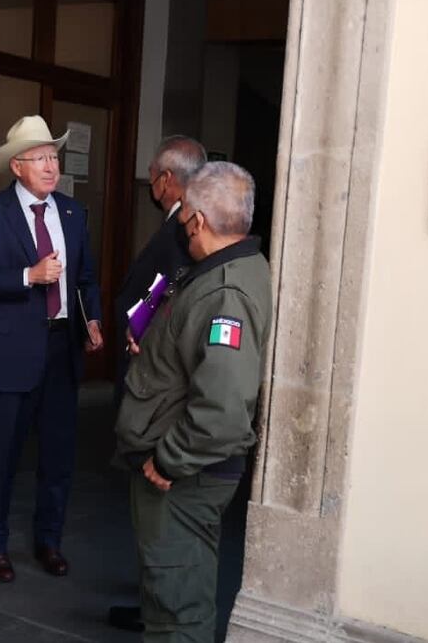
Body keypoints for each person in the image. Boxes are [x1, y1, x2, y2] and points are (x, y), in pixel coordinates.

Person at [115, 161, 271, 642]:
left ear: (199, 221)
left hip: (185, 474)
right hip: (188, 469)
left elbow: (222, 409)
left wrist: (168, 461)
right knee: (179, 587)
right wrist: (156, 341)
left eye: (185, 223)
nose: (184, 232)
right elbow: (196, 350)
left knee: (176, 607)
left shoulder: (226, 290)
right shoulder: (232, 267)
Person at [0, 115, 104, 583]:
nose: (51, 166)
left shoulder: (72, 213)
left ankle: (49, 540)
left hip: (62, 349)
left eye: (54, 157)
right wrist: (27, 276)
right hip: (11, 352)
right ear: (17, 166)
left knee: (58, 456)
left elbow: (84, 278)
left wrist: (93, 318)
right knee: (1, 454)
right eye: (40, 158)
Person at [112, 136, 205, 408]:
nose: (150, 179)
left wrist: (138, 326)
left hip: (150, 358)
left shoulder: (182, 227)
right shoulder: (181, 223)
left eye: (151, 173)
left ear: (165, 179)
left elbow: (169, 285)